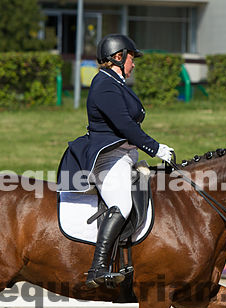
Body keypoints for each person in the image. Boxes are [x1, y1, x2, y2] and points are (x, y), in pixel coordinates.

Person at [57, 34, 175, 289]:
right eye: (132, 58)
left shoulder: (115, 83)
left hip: (124, 156)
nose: (134, 64)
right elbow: (125, 126)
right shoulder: (105, 85)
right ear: (118, 57)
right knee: (121, 203)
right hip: (108, 158)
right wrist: (155, 148)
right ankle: (97, 268)